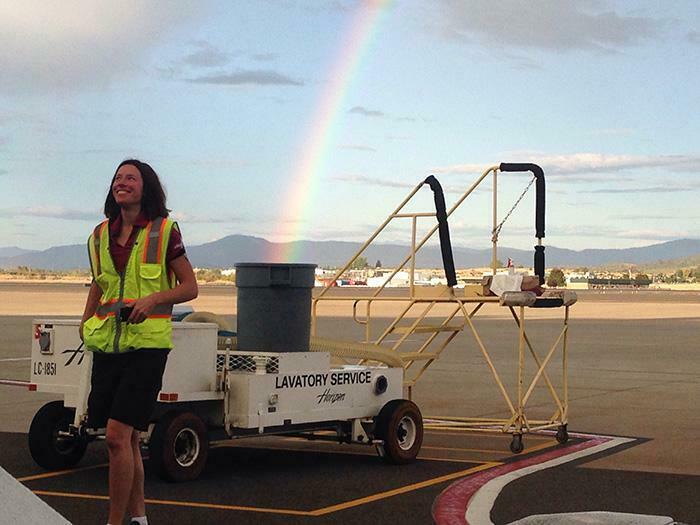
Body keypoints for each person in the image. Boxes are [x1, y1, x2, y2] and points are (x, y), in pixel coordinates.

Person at [80, 159, 198, 525]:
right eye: (117, 177)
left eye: (130, 177)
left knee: (116, 436)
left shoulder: (164, 231)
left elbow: (189, 287)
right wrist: (85, 323)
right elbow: (100, 283)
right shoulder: (99, 235)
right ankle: (139, 518)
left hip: (147, 346)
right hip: (109, 345)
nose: (121, 182)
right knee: (127, 440)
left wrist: (153, 300)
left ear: (146, 187)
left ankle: (115, 522)